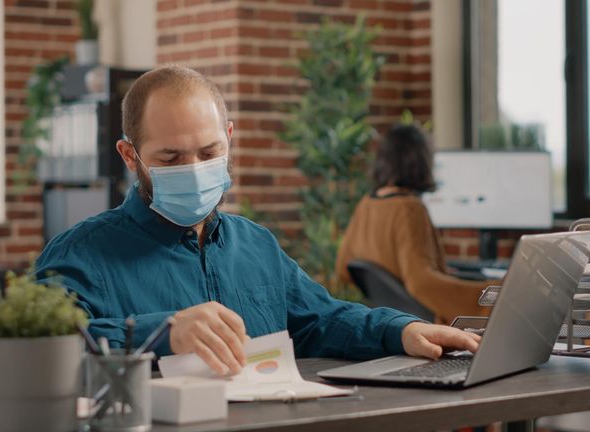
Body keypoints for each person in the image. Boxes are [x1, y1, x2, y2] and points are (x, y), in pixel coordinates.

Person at [35, 66, 481, 376]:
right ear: (130, 156)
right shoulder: (81, 254)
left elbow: (319, 320)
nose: (194, 167)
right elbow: (42, 347)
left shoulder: (255, 245)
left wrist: (401, 329)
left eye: (209, 153)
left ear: (228, 138)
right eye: (171, 158)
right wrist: (163, 333)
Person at [335, 124, 493, 325]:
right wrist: (492, 292)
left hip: (389, 322)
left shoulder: (367, 203)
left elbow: (344, 267)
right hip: (424, 326)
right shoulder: (409, 208)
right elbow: (422, 283)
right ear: (420, 162)